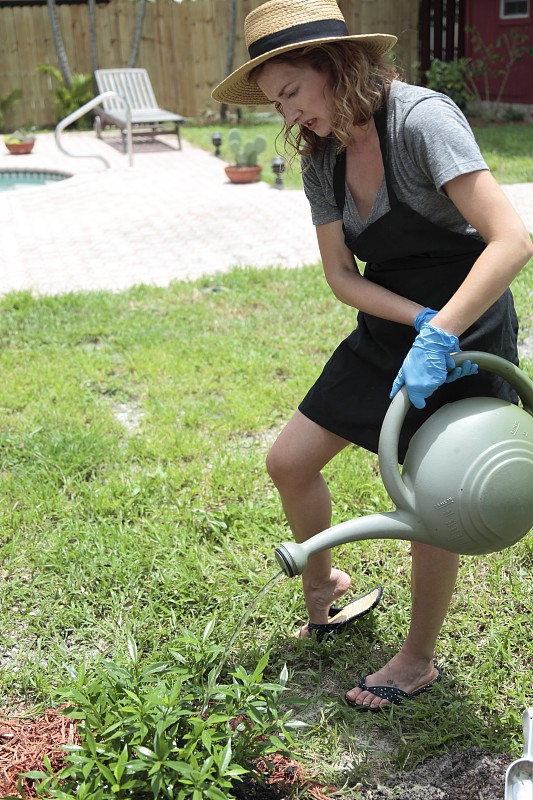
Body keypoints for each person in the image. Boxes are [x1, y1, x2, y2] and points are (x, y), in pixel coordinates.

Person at [212, 0, 533, 711]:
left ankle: (416, 660)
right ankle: (323, 584)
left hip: (466, 327)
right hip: (392, 323)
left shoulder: (421, 120)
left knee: (433, 496)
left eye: (292, 92)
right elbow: (341, 277)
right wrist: (413, 319)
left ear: (334, 65)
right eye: (276, 104)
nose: (290, 116)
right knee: (288, 461)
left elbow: (510, 240)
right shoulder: (320, 156)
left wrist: (442, 330)